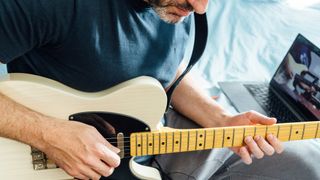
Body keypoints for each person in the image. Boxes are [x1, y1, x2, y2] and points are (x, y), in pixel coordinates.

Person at [0, 0, 319, 179]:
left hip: (155, 138)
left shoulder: (182, 8)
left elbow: (163, 70)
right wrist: (48, 134)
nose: (199, 6)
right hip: (54, 159)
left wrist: (221, 120)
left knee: (307, 161)